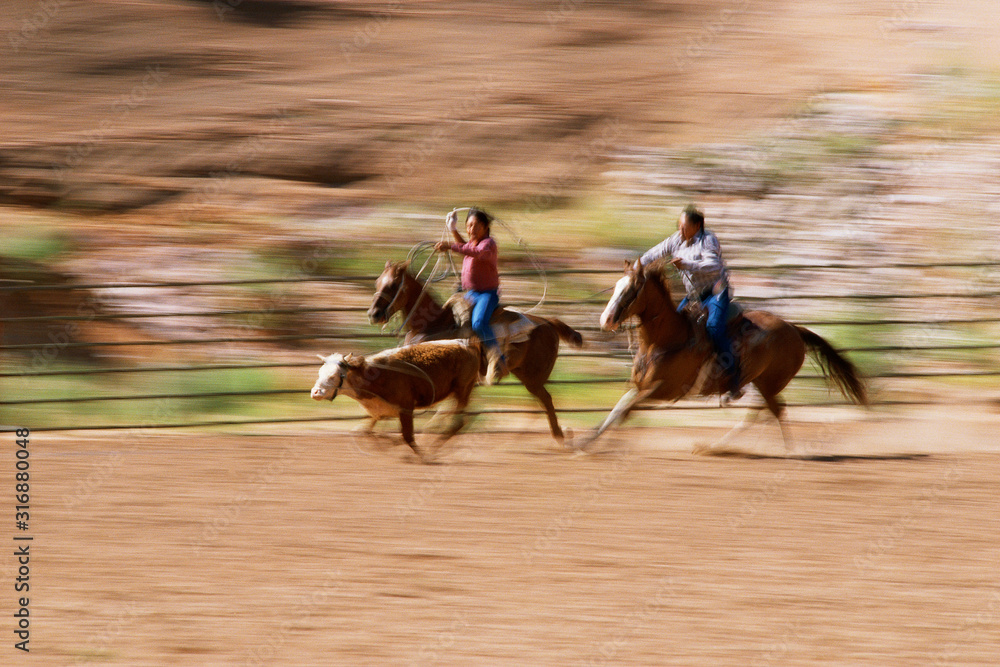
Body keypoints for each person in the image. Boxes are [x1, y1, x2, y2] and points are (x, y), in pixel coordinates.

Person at [639, 204, 743, 402]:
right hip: (695, 295)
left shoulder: (708, 240)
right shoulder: (676, 240)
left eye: (684, 227)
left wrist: (687, 264)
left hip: (715, 292)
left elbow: (714, 265)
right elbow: (656, 252)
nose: (680, 230)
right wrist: (639, 264)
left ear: (697, 226)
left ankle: (733, 378)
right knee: (673, 326)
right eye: (679, 226)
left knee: (714, 327)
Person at [435, 208, 507, 381]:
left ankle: (498, 359)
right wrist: (452, 228)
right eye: (468, 226)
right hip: (470, 294)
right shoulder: (473, 244)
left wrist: (450, 246)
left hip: (486, 294)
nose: (471, 230)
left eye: (475, 225)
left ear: (485, 226)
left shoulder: (489, 244)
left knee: (479, 322)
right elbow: (466, 247)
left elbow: (474, 251)